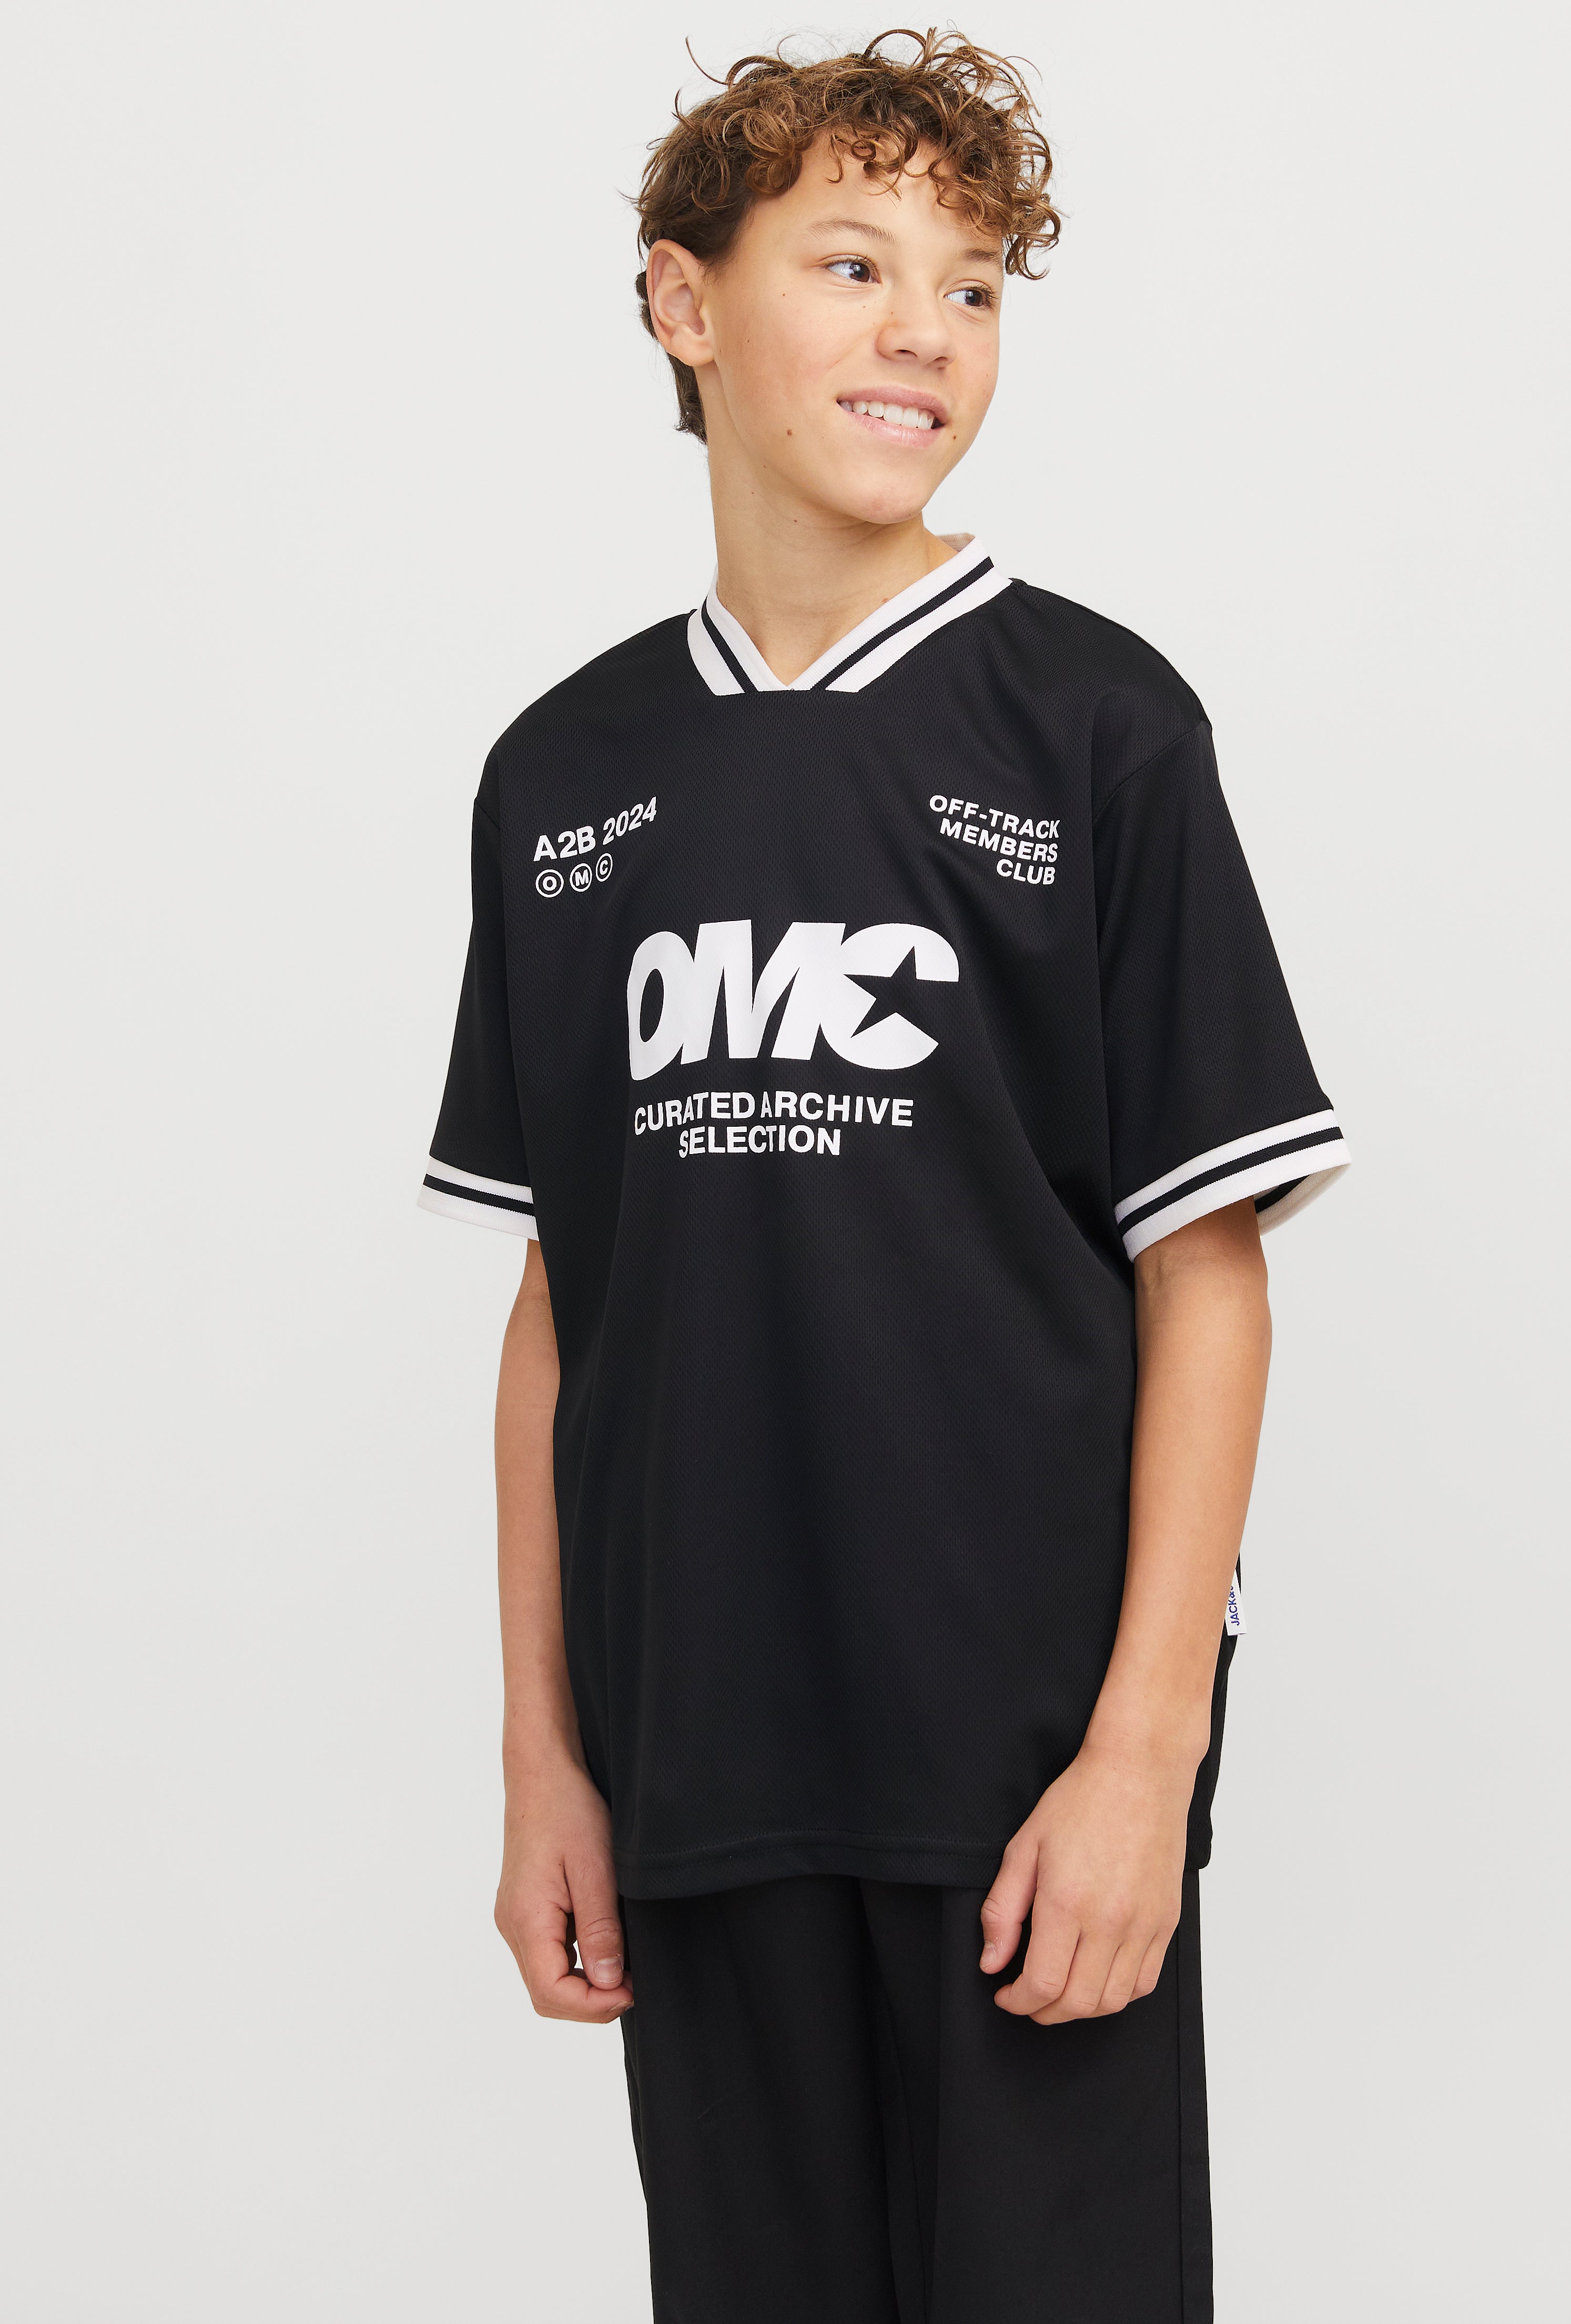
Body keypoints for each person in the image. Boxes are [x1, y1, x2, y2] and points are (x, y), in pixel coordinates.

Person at [419, 29, 1347, 2322]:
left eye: (975, 285)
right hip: (704, 1772)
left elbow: (1206, 1270)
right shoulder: (561, 777)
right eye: (852, 265)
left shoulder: (1100, 729)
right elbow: (562, 1306)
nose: (925, 328)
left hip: (1020, 1783)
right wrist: (547, 1762)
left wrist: (1145, 1752)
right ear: (683, 302)